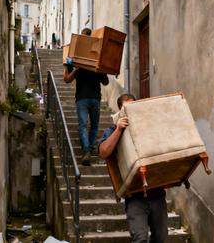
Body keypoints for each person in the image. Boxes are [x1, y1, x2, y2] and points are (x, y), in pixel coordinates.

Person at [99, 94, 168, 243]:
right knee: (140, 239)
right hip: (135, 197)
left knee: (160, 239)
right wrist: (118, 130)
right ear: (120, 110)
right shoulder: (112, 130)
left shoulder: (146, 127)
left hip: (157, 193)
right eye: (126, 108)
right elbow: (103, 152)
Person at [63, 28, 109, 166]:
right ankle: (87, 150)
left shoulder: (80, 59)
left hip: (85, 98)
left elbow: (67, 79)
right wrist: (74, 67)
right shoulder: (81, 59)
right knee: (91, 125)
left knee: (84, 125)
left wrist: (101, 69)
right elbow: (67, 79)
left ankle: (86, 150)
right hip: (91, 98)